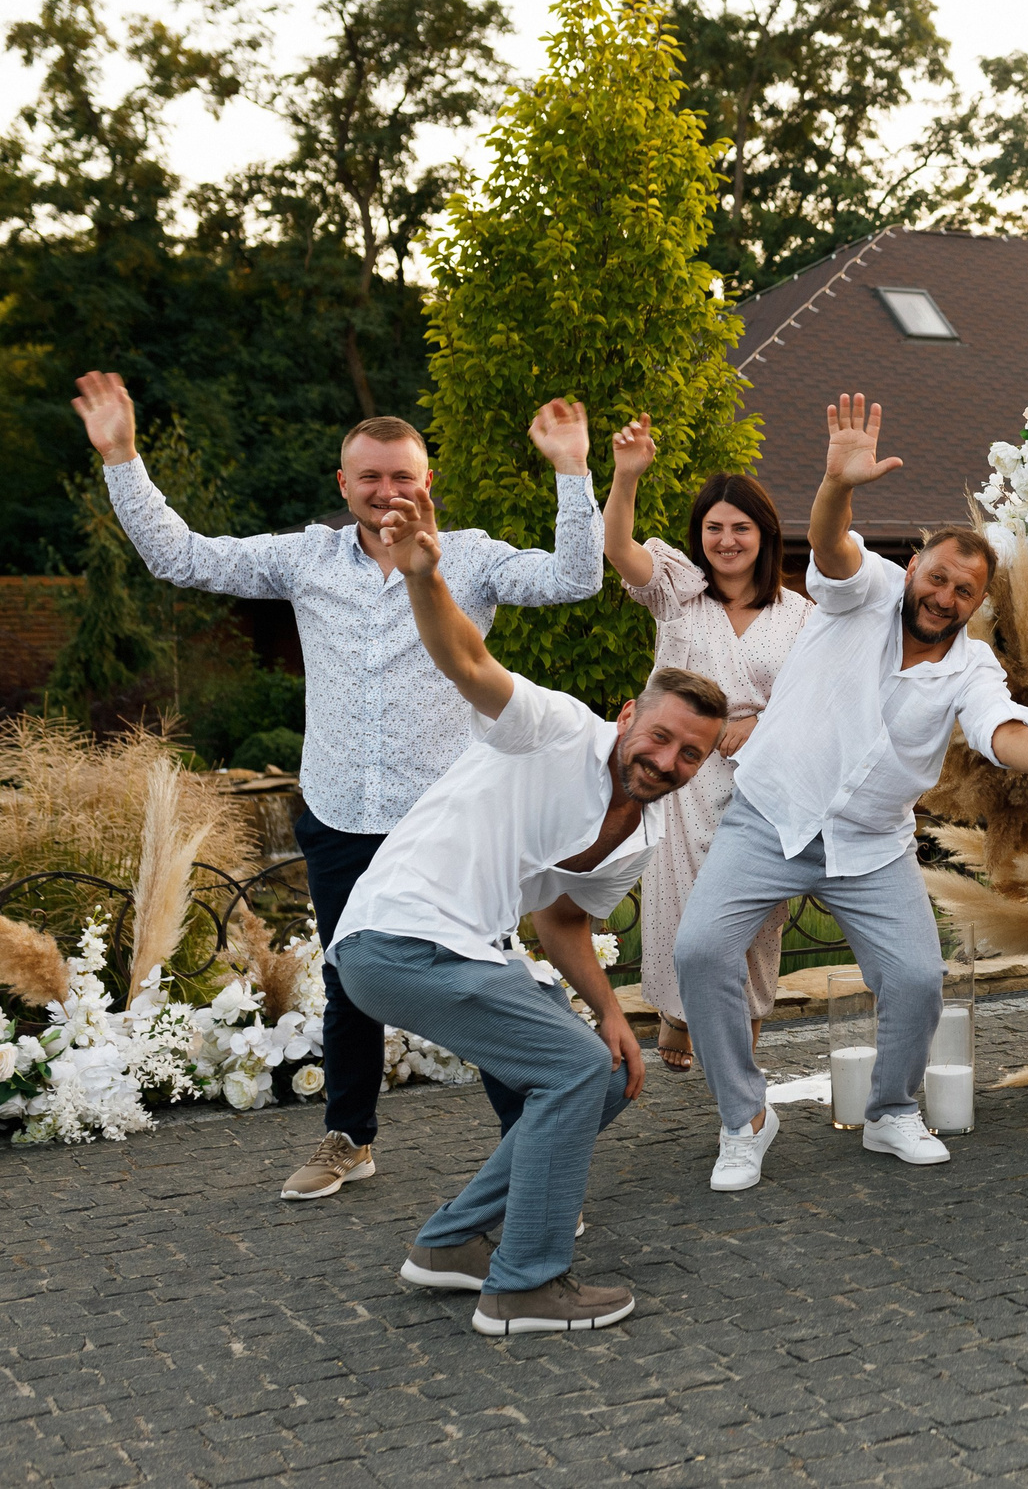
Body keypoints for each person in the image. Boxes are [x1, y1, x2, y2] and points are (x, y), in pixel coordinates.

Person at [68, 370, 602, 1203]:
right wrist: (123, 458)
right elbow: (180, 557)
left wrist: (573, 472)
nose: (386, 489)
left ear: (428, 482)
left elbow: (575, 579)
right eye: (370, 475)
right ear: (343, 484)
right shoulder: (306, 557)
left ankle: (531, 1151)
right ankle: (349, 1137)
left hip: (447, 820)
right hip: (339, 812)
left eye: (402, 474)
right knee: (353, 979)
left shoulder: (476, 557)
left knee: (485, 974)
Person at [671, 393, 1028, 1192]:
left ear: (976, 605)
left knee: (918, 980)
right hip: (770, 816)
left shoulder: (970, 666)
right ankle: (742, 1117)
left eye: (963, 591)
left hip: (868, 843)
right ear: (915, 569)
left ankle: (890, 1111)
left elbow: (1002, 731)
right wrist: (836, 484)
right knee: (699, 950)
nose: (943, 596)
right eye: (937, 577)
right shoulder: (867, 591)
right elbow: (828, 545)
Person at [333, 487, 725, 1335]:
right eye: (659, 737)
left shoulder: (642, 830)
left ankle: (450, 1245)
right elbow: (468, 663)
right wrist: (425, 579)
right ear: (628, 716)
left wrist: (612, 1013)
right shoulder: (553, 728)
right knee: (572, 1072)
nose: (668, 760)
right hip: (402, 936)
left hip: (463, 950)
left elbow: (561, 919)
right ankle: (523, 1289)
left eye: (691, 754)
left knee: (605, 1073)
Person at [602, 423, 810, 1074]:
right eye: (714, 528)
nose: (726, 541)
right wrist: (628, 474)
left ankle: (739, 1046)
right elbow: (616, 548)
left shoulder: (799, 616)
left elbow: (816, 703)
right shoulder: (679, 595)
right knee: (687, 916)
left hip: (764, 788)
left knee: (754, 922)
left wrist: (762, 726)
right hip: (683, 783)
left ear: (764, 535)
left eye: (740, 528)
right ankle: (679, 1012)